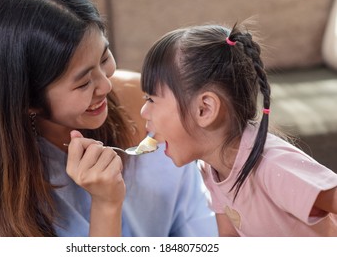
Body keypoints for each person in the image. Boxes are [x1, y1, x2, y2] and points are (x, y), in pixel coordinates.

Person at [0, 0, 217, 237]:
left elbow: (204, 220)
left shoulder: (147, 100)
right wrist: (106, 205)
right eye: (83, 83)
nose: (106, 85)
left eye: (104, 57)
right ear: (28, 102)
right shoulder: (10, 189)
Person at [140, 22, 337, 236]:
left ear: (204, 109)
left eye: (151, 99)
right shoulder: (211, 167)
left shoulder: (272, 167)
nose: (143, 112)